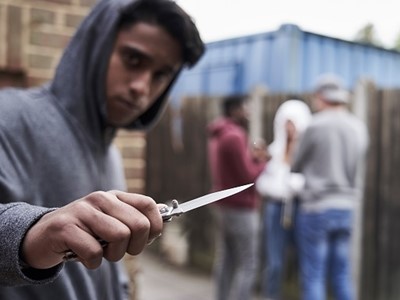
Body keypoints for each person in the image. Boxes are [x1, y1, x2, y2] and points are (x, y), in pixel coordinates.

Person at [0, 0, 204, 299]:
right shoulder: (8, 118)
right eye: (134, 59)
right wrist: (33, 233)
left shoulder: (111, 155)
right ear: (96, 44)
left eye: (161, 75)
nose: (142, 87)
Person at [291, 74, 369, 300]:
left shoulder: (314, 125)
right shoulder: (358, 127)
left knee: (314, 276)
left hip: (316, 208)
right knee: (342, 275)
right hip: (346, 208)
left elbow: (295, 165)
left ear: (321, 97)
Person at [207, 94, 268, 300]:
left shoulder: (219, 132)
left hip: (224, 207)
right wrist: (263, 162)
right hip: (241, 208)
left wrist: (250, 157)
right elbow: (248, 176)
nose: (249, 111)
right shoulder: (235, 136)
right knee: (248, 263)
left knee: (226, 260)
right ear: (234, 109)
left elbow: (234, 167)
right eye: (245, 106)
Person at [255, 99, 312, 300]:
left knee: (305, 261)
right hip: (275, 209)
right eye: (286, 123)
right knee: (274, 261)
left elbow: (310, 181)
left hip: (300, 209)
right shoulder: (275, 150)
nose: (289, 129)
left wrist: (298, 185)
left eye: (293, 123)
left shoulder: (307, 151)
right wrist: (276, 187)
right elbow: (262, 180)